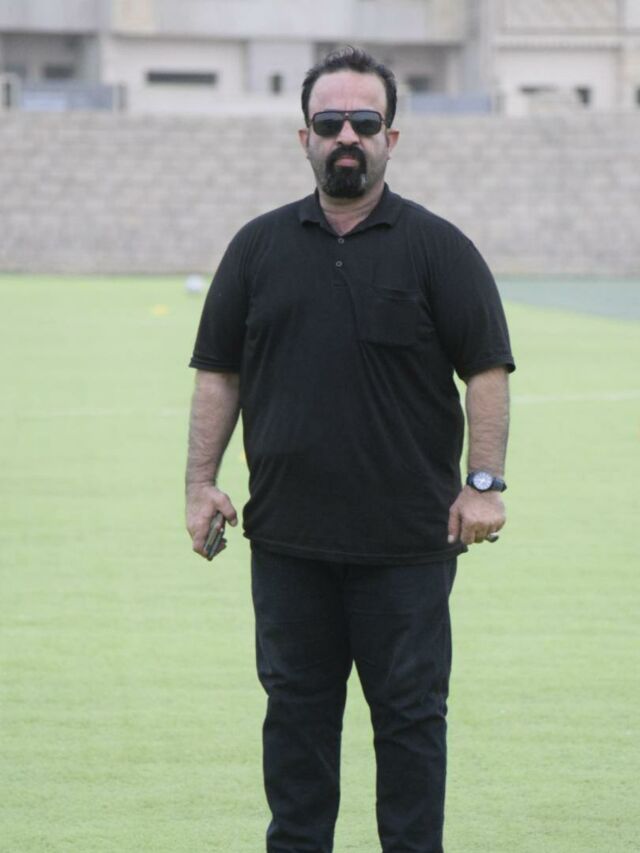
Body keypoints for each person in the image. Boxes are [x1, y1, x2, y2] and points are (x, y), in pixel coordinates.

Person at [186, 46, 514, 853]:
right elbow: (219, 371)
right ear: (304, 136)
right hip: (288, 543)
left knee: (410, 726)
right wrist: (200, 482)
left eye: (364, 122)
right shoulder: (257, 248)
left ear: (389, 139)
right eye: (329, 122)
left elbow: (486, 368)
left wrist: (483, 482)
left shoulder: (439, 248)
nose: (346, 136)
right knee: (295, 727)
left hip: (407, 549)